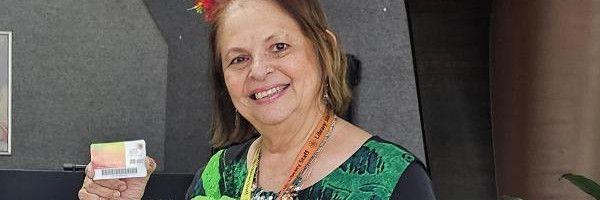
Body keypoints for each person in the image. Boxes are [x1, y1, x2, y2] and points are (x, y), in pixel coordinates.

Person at [78, 0, 433, 199]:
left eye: (279, 47)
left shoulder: (395, 179)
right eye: (239, 59)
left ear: (324, 49)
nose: (259, 71)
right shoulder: (218, 174)